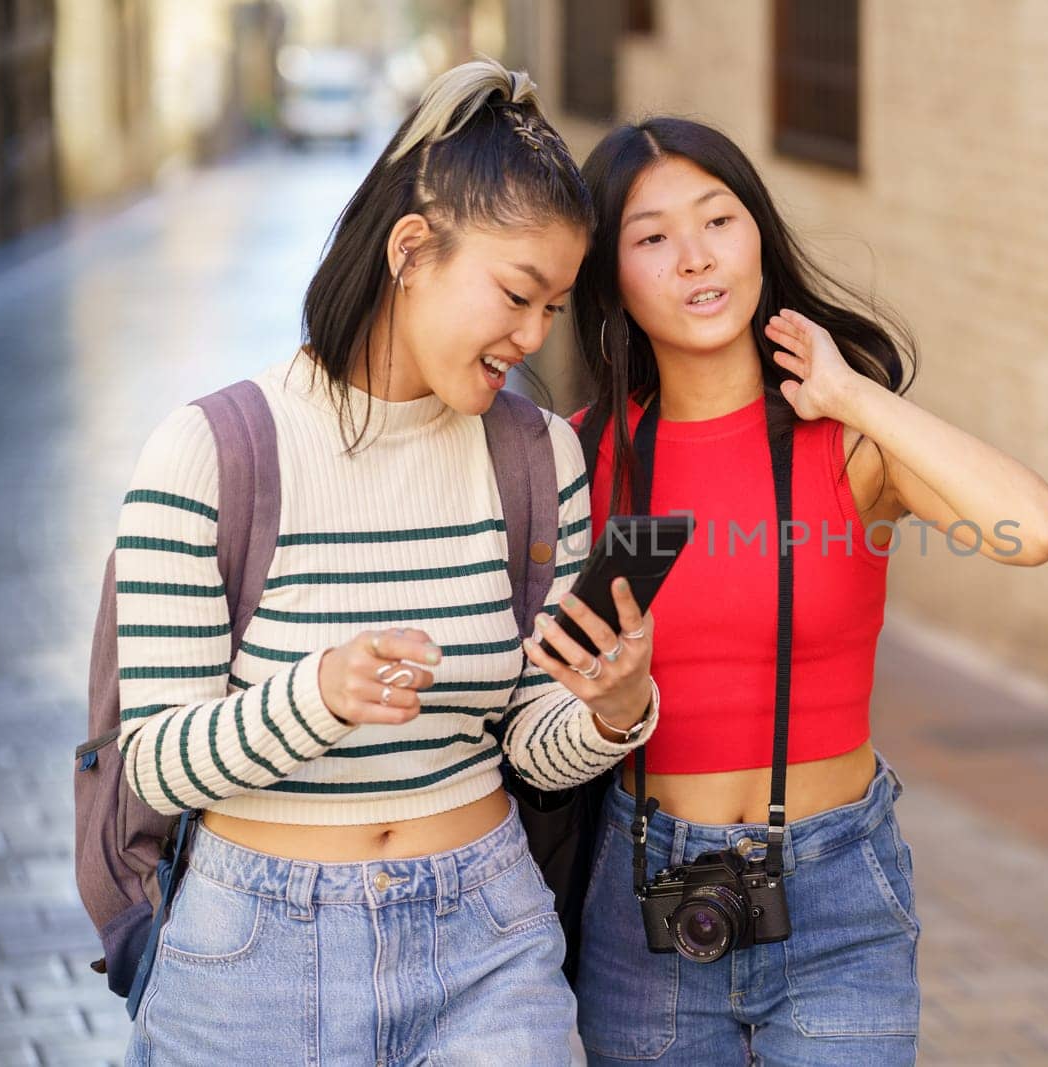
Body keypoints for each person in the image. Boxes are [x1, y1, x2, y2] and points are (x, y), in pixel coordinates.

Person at [115, 59, 659, 1066]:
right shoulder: (210, 452)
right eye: (515, 293)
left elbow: (531, 743)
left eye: (555, 305)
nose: (534, 335)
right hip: (252, 961)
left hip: (487, 939)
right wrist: (319, 692)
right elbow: (152, 761)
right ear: (412, 249)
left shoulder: (539, 457)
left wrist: (611, 707)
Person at [566, 118, 1048, 1065]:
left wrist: (852, 396)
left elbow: (1033, 529)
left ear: (760, 234)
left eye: (718, 219)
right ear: (611, 277)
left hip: (836, 887)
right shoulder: (576, 457)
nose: (695, 258)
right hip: (643, 892)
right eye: (651, 237)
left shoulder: (847, 445)